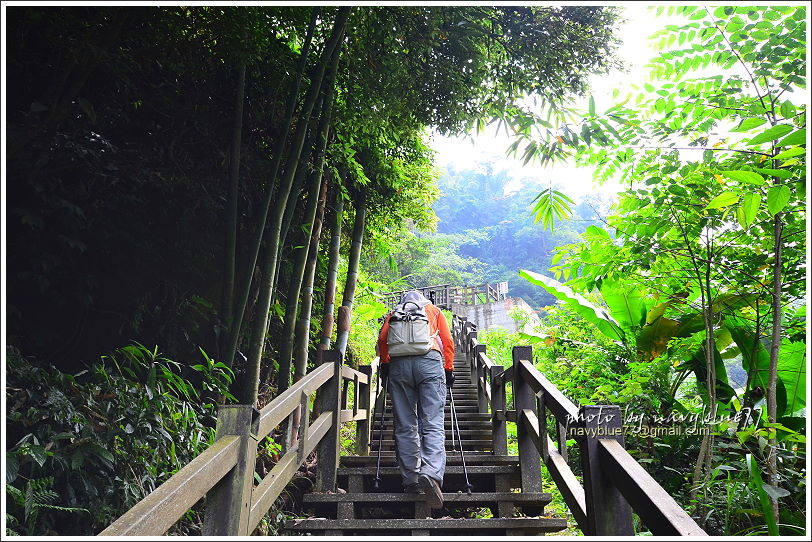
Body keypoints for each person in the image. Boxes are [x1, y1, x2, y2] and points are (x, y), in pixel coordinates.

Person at [377, 290, 455, 509]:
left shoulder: (395, 313)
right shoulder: (433, 310)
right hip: (429, 362)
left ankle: (411, 479)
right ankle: (430, 474)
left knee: (405, 424)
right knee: (432, 421)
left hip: (399, 366)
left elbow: (383, 340)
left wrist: (385, 365)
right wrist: (448, 368)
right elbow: (447, 341)